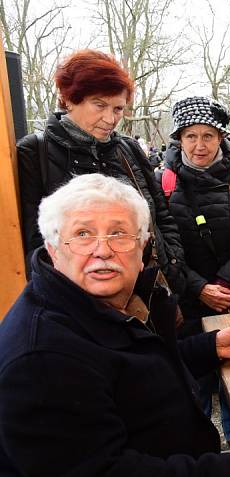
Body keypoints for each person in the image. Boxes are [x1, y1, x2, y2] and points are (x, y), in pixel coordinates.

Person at [0, 174, 230, 477]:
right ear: (54, 248)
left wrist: (206, 348)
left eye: (119, 233)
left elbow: (132, 369)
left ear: (143, 246)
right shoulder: (42, 356)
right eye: (83, 234)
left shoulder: (112, 304)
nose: (102, 249)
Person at [15, 49, 186, 295]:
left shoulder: (128, 149)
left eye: (118, 109)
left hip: (151, 291)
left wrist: (173, 264)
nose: (110, 118)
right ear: (70, 99)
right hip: (82, 305)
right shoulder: (34, 152)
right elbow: (34, 243)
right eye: (99, 105)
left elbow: (161, 216)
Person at [160, 96, 230, 449]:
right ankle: (201, 453)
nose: (199, 145)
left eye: (208, 136)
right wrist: (198, 288)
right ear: (178, 139)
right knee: (194, 383)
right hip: (188, 302)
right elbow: (162, 244)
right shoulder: (162, 183)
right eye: (191, 136)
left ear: (220, 138)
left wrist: (225, 283)